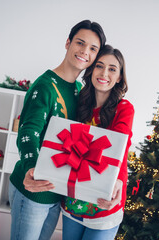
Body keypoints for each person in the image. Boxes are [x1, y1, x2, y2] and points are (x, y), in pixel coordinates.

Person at [8, 20, 106, 240]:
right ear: (68, 43)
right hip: (32, 191)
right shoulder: (45, 85)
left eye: (93, 49)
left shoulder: (80, 90)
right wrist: (31, 168)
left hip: (57, 194)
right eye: (80, 43)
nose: (84, 51)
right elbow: (28, 131)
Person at [61, 45, 134, 240]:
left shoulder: (124, 108)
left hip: (105, 200)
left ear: (119, 77)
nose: (104, 73)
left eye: (112, 69)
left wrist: (119, 181)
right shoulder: (79, 103)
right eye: (99, 66)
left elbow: (121, 145)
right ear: (91, 70)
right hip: (74, 197)